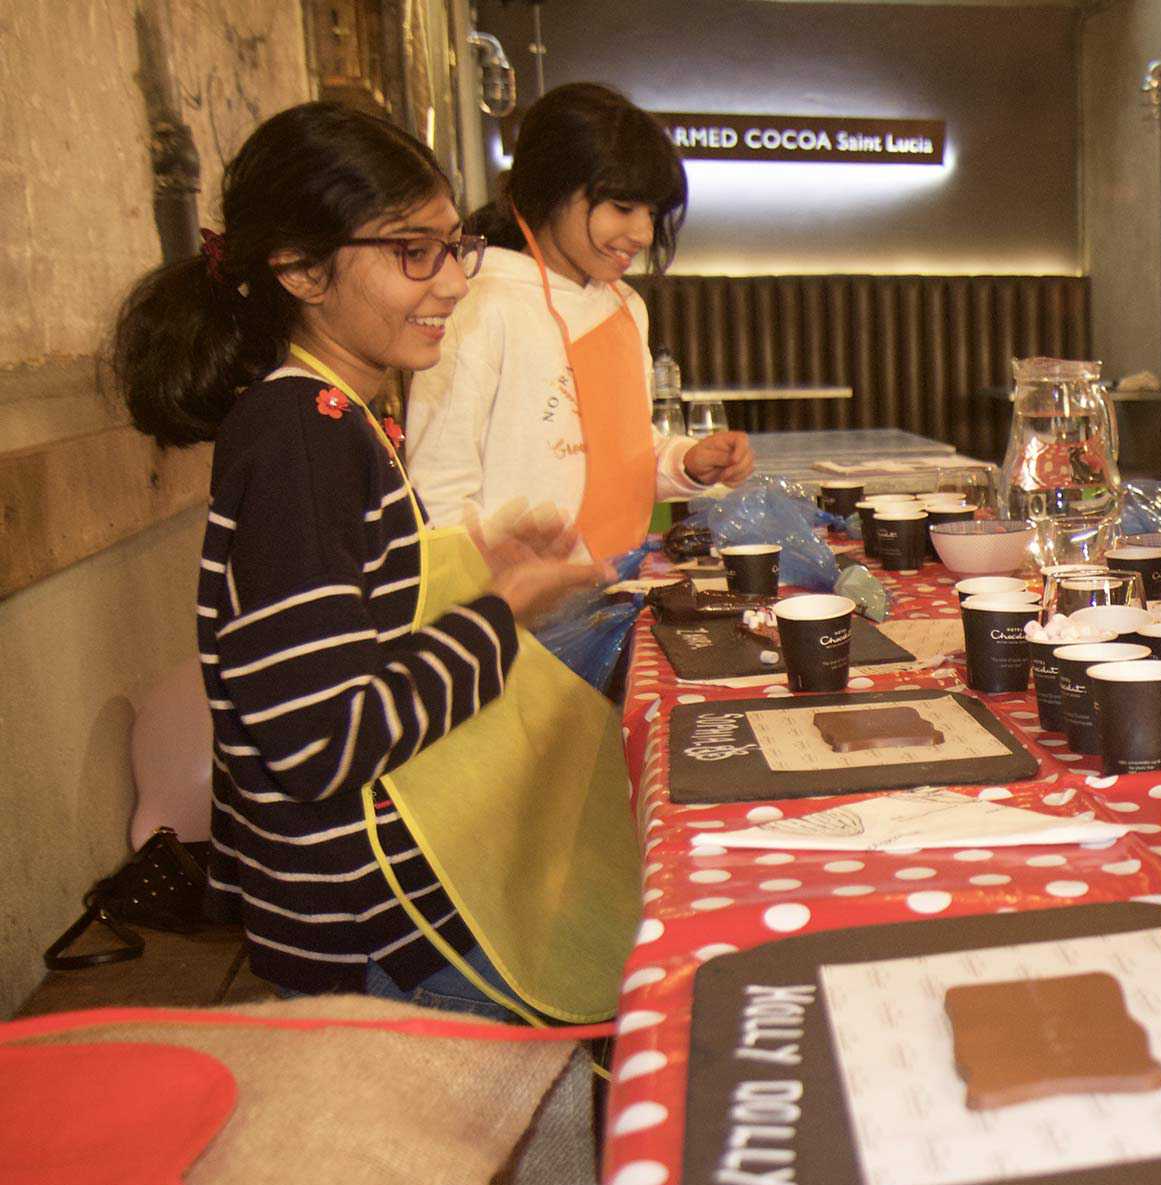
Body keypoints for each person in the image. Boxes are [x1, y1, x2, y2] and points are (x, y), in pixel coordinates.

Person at [110, 102, 641, 1023]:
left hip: (376, 904)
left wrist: (469, 563)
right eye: (411, 252)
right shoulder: (300, 437)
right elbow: (326, 739)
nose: (451, 285)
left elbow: (351, 627)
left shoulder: (340, 416)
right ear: (302, 269)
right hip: (377, 928)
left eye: (453, 248)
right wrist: (499, 613)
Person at [406, 82, 753, 560]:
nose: (643, 233)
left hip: (611, 588)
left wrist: (686, 462)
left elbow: (622, 453)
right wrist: (496, 597)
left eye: (651, 213)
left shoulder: (626, 306)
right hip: (515, 613)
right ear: (553, 187)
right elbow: (438, 491)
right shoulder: (479, 302)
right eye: (623, 208)